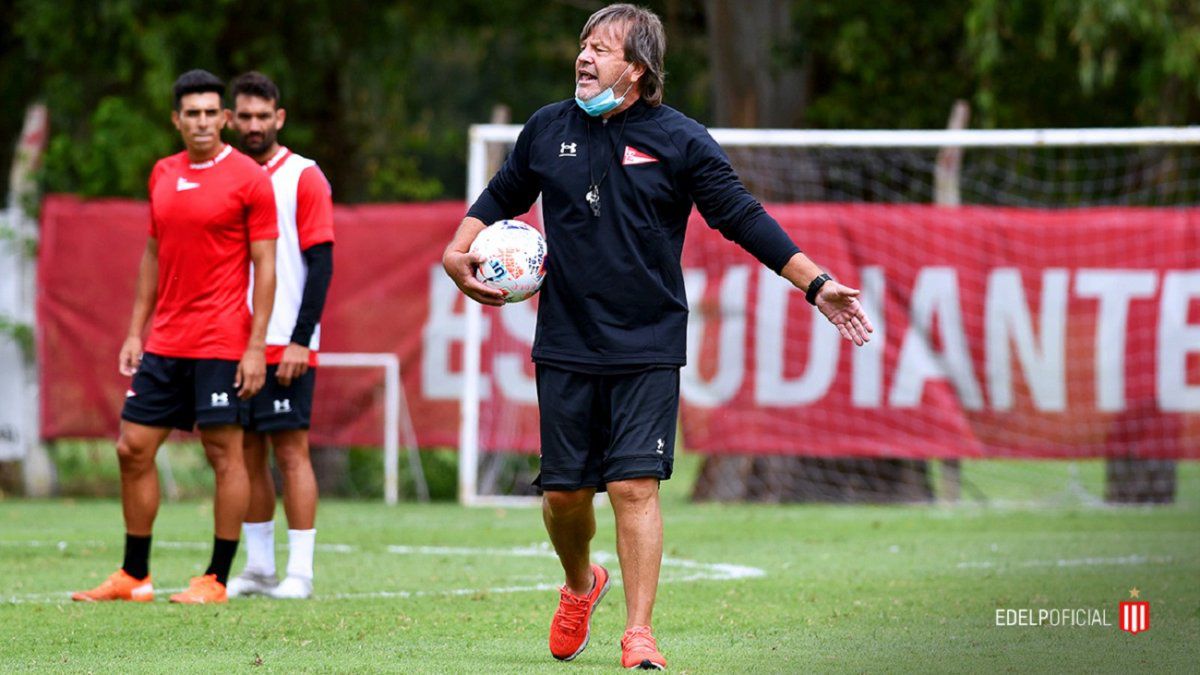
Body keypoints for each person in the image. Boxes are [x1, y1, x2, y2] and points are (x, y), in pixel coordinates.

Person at [442, 4, 873, 670]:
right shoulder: (546, 128)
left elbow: (741, 216)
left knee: (634, 485)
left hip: (648, 341)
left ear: (639, 70)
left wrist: (816, 284)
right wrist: (457, 251)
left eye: (603, 49)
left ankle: (638, 633)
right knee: (563, 495)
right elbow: (502, 192)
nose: (585, 58)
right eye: (583, 45)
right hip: (565, 340)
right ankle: (581, 584)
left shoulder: (680, 139)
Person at [72, 69, 278, 605]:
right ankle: (134, 575)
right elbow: (152, 254)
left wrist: (256, 346)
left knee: (224, 454)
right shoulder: (163, 173)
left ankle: (215, 578)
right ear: (177, 120)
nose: (204, 121)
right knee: (131, 448)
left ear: (225, 119)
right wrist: (135, 331)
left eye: (213, 112)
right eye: (193, 113)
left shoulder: (249, 178)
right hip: (165, 340)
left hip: (222, 339)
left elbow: (267, 264)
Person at [224, 71, 335, 600]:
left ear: (279, 118)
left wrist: (299, 338)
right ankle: (260, 568)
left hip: (286, 341)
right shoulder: (222, 177)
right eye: (243, 116)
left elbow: (320, 265)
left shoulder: (304, 176)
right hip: (230, 341)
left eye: (261, 116)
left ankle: (301, 573)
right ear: (230, 119)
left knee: (291, 453)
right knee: (245, 454)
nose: (253, 125)